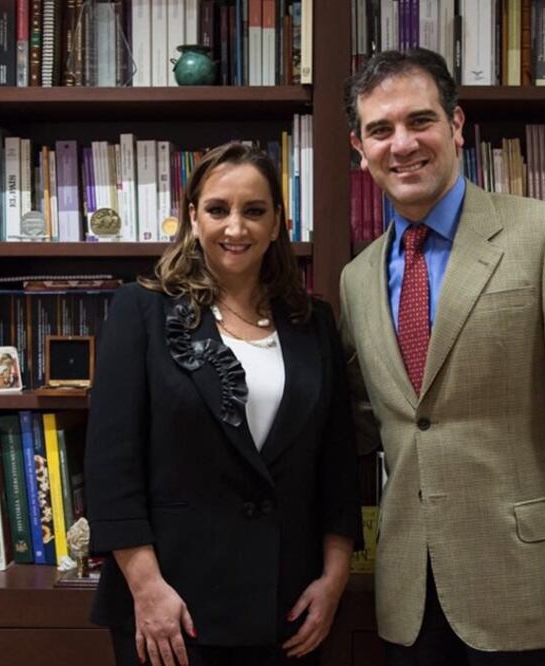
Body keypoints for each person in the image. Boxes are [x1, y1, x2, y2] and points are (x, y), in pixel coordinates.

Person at [339, 49, 545, 666]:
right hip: (409, 596)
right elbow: (373, 421)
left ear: (455, 125)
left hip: (531, 589)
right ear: (359, 150)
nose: (402, 144)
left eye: (420, 121)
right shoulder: (357, 278)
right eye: (380, 130)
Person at [85, 142, 362, 666]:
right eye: (218, 210)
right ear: (193, 217)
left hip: (289, 607)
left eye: (254, 211)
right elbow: (110, 467)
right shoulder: (139, 311)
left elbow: (338, 463)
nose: (236, 228)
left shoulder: (313, 323)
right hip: (173, 609)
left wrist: (334, 578)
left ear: (278, 222)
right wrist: (146, 589)